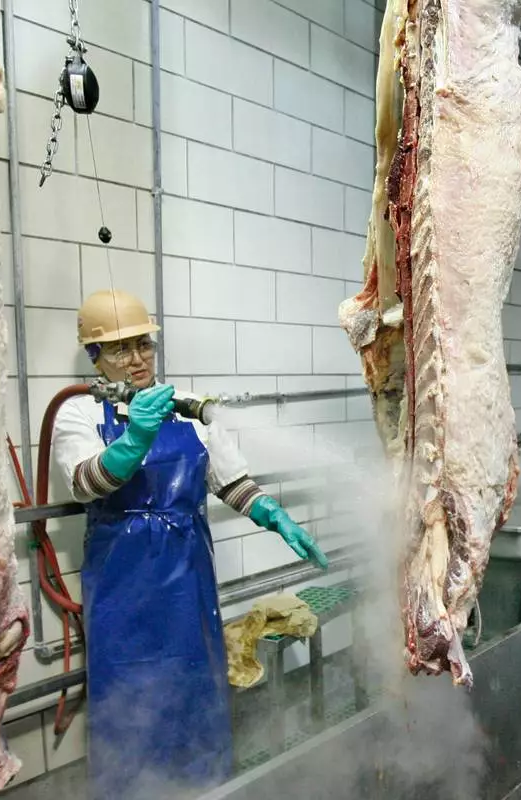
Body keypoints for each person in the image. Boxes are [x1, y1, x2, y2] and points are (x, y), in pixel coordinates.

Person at [52, 289, 329, 799]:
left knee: (196, 684)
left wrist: (276, 517)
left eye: (144, 345)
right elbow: (84, 482)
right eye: (120, 349)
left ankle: (207, 788)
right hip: (120, 586)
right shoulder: (80, 413)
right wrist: (133, 440)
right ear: (95, 356)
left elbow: (232, 482)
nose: (136, 358)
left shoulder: (186, 410)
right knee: (127, 694)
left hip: (187, 578)